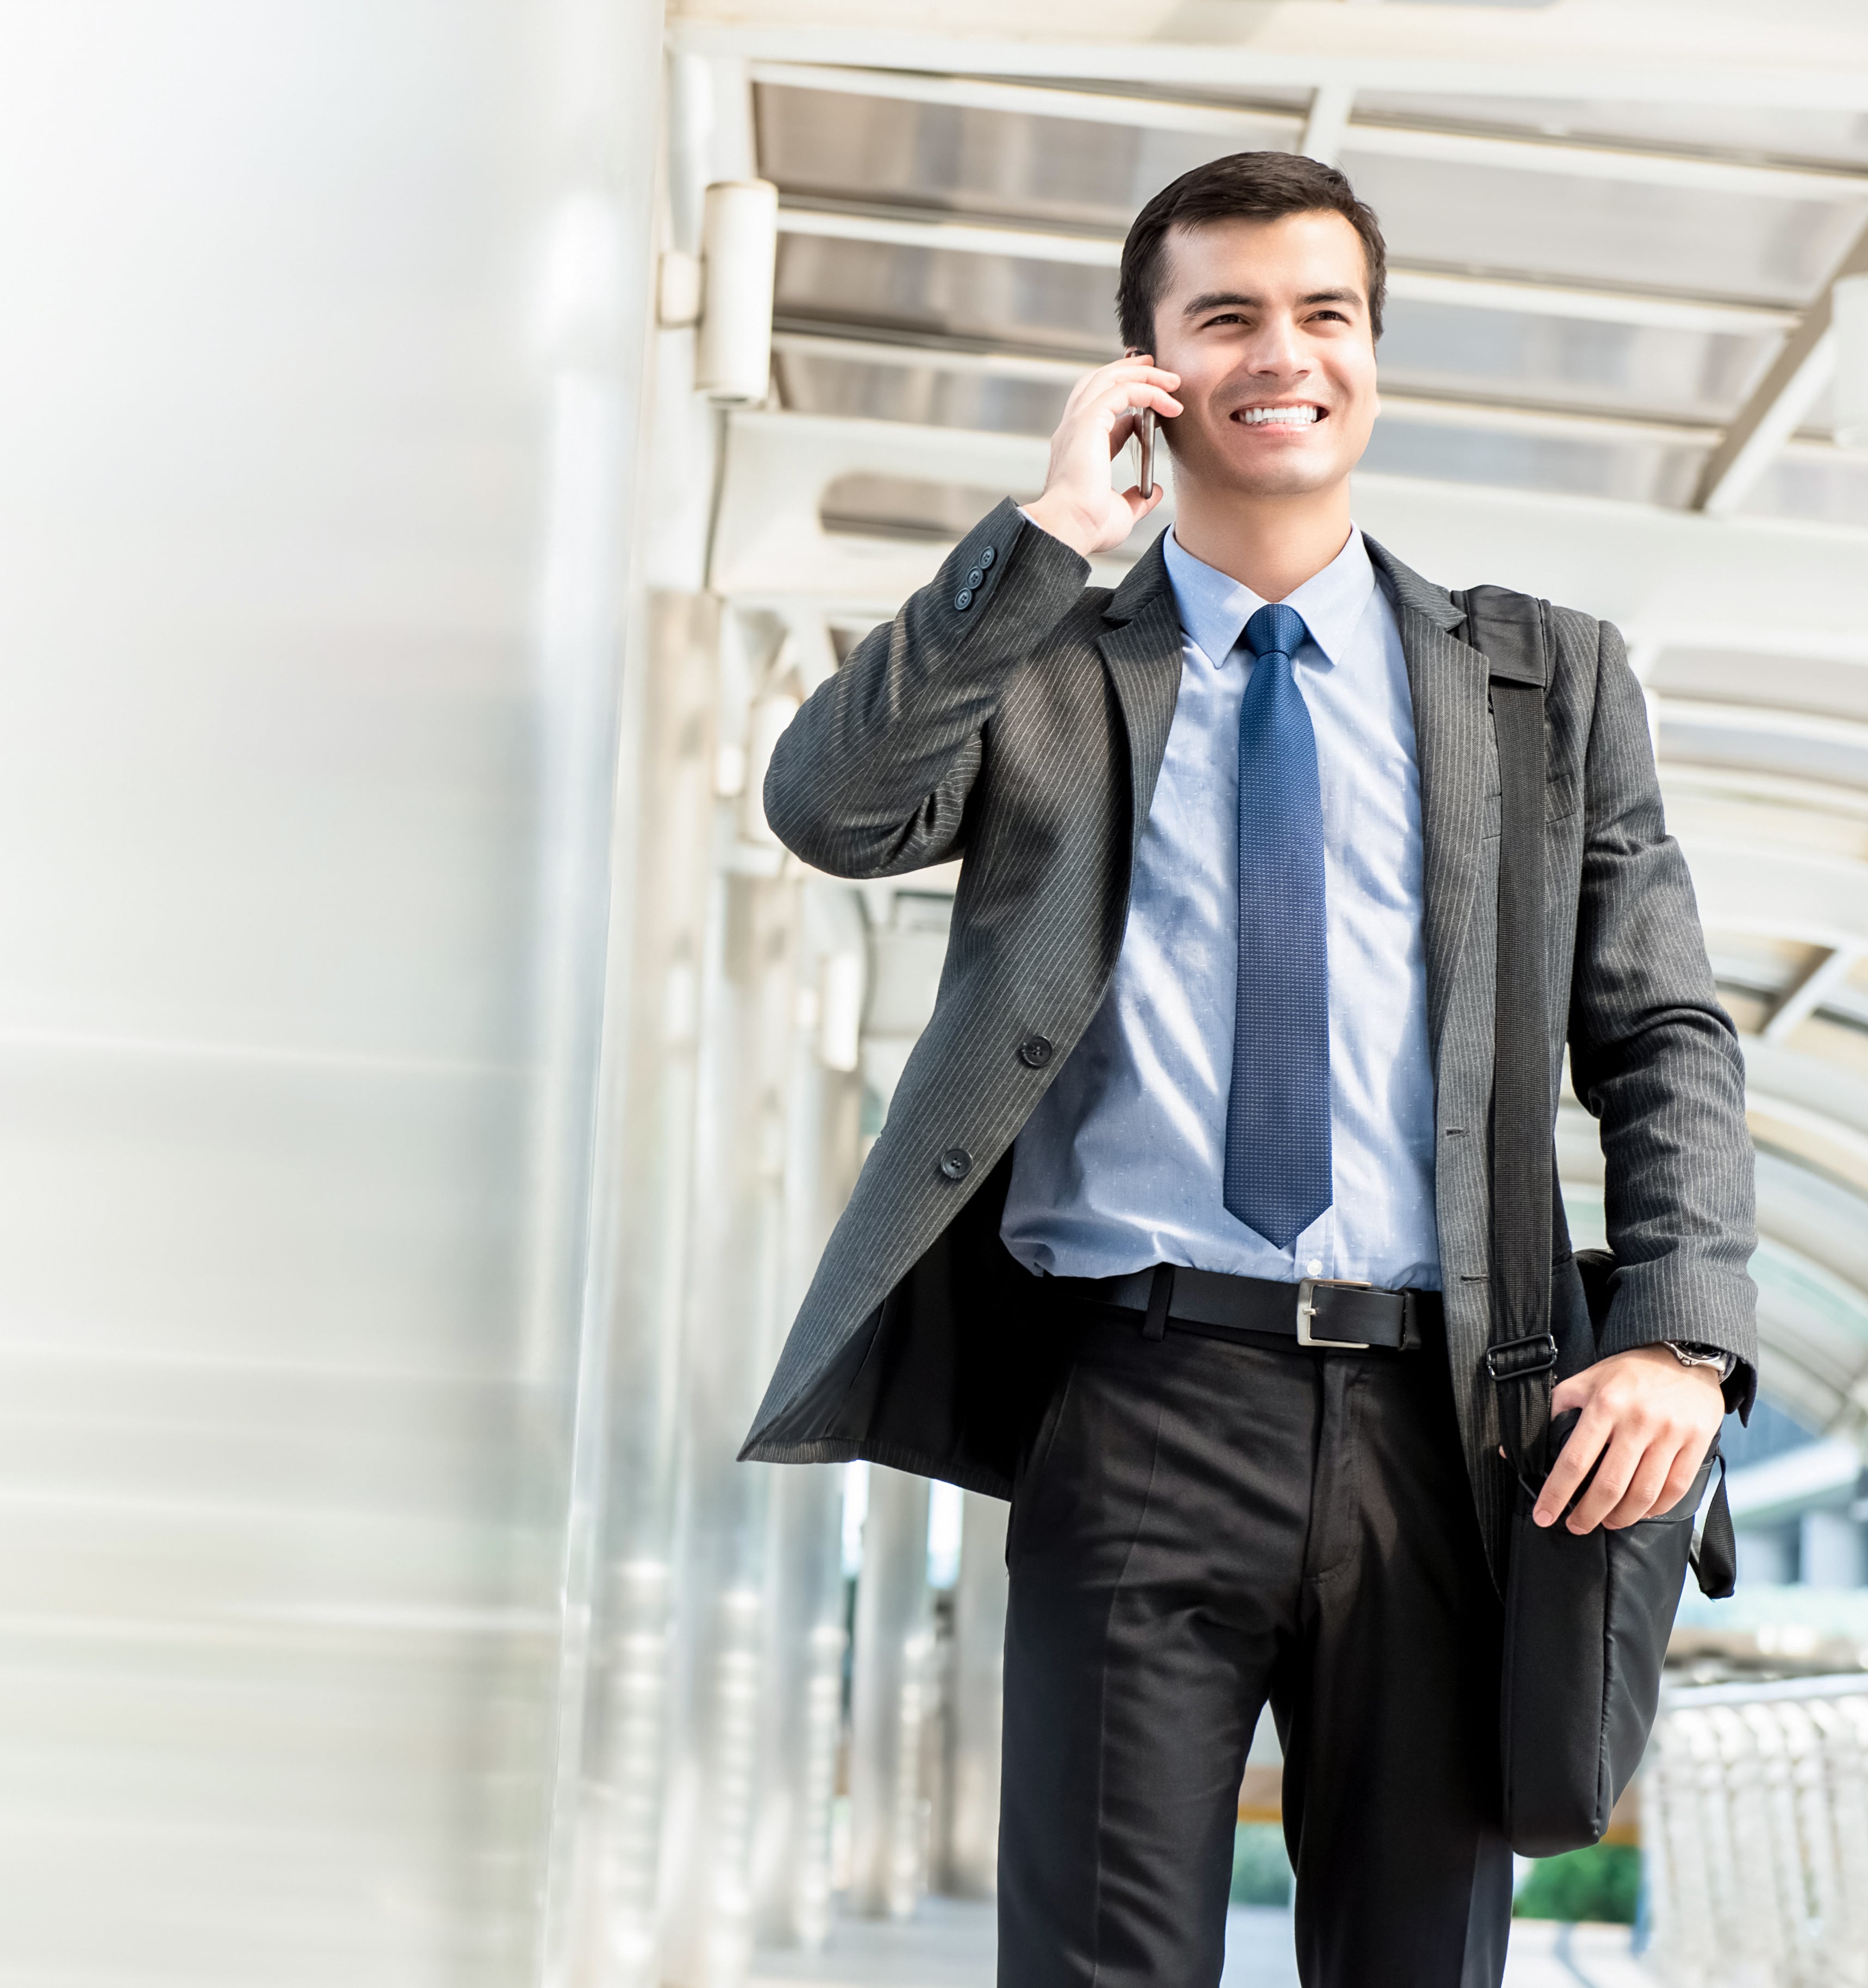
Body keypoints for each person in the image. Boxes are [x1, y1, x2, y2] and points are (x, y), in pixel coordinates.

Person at [736, 153, 1755, 1986]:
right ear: (1149, 373)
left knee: (1416, 1965)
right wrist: (1048, 537)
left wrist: (1682, 1329)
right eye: (1226, 317)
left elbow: (1662, 1026)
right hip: (1136, 1396)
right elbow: (833, 805)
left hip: (1456, 1422)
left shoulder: (1547, 682)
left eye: (1325, 314)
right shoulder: (1048, 666)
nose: (1283, 353)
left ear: (1373, 351)